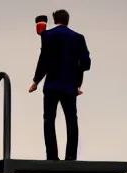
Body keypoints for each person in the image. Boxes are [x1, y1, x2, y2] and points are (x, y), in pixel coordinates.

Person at [28, 10, 91, 161]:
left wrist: (36, 81)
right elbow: (86, 64)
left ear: (55, 20)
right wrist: (77, 82)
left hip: (52, 85)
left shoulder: (48, 36)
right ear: (68, 20)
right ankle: (71, 156)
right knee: (71, 119)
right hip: (70, 86)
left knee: (49, 119)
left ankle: (52, 156)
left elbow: (44, 60)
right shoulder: (78, 38)